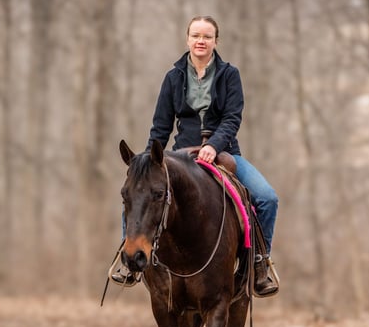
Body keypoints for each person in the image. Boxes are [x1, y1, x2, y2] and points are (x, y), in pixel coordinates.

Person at [112, 15, 279, 297]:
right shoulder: (173, 77)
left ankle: (259, 264)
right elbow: (161, 125)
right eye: (196, 35)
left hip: (225, 152)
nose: (201, 41)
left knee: (267, 198)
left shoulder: (229, 74)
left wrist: (214, 145)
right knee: (137, 189)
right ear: (188, 39)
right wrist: (148, 163)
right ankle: (127, 260)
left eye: (207, 36)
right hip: (182, 153)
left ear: (215, 41)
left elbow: (232, 117)